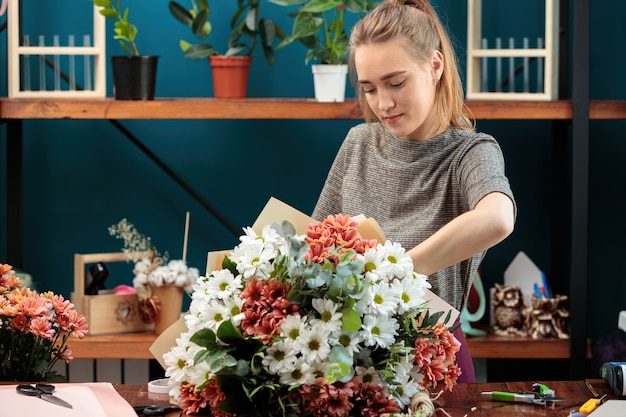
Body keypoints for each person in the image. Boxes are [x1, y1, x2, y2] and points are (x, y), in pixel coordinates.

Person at [311, 0, 517, 383]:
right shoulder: (358, 143)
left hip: (433, 366)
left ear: (435, 65)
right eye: (369, 89)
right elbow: (314, 247)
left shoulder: (470, 153)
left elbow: (498, 218)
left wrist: (395, 270)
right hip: (351, 367)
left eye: (396, 82)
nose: (383, 103)